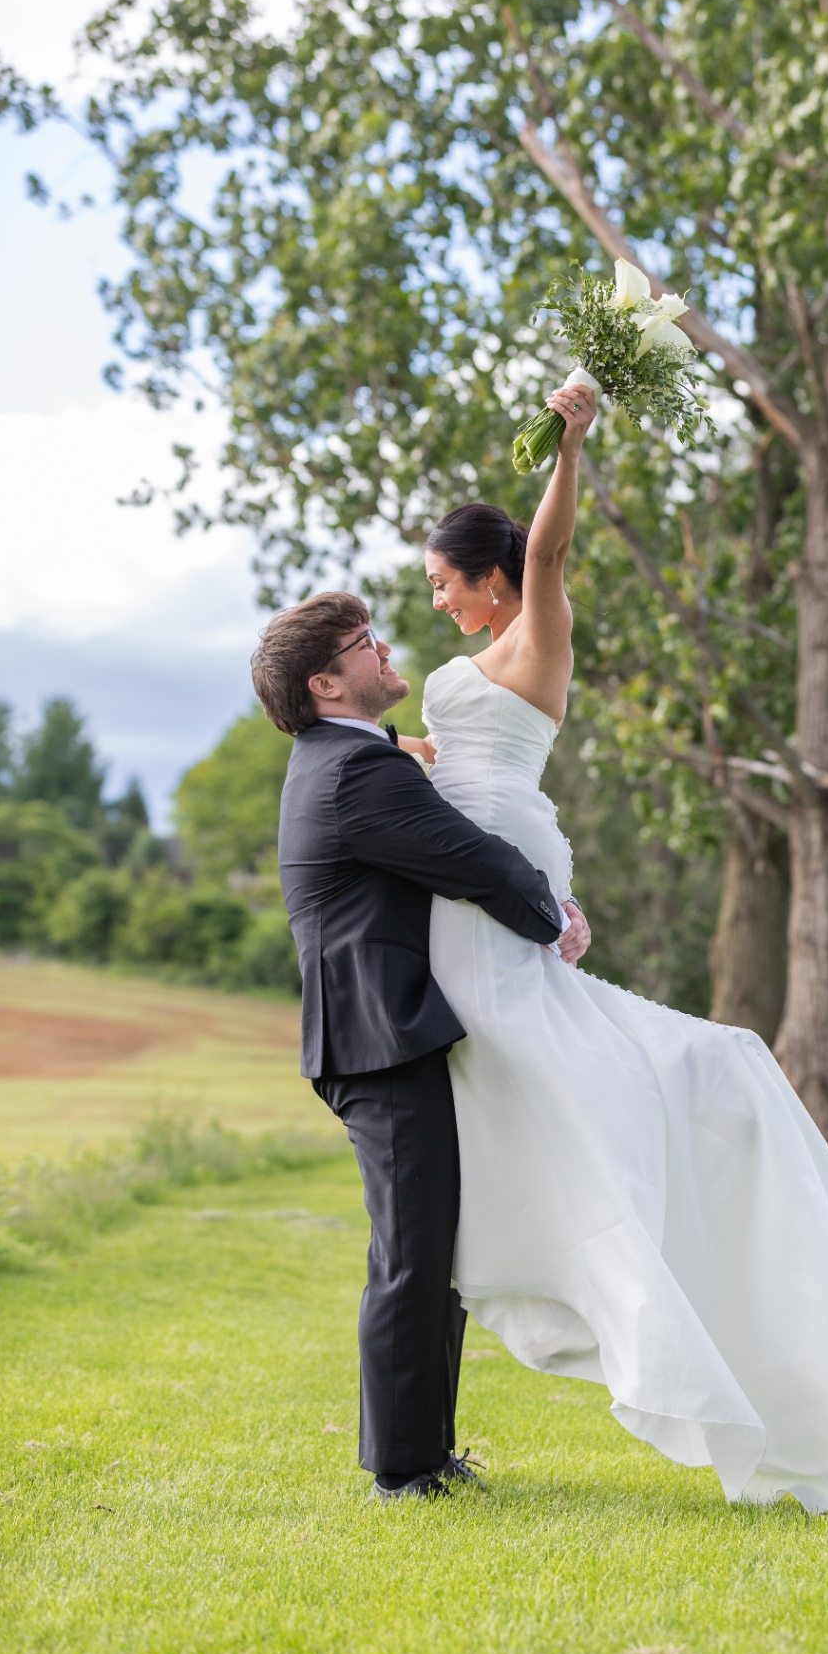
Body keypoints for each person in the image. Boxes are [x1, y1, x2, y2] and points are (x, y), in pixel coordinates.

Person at [414, 379, 828, 1524]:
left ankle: (607, 1238)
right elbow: (441, 749)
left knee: (560, 1052)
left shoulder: (538, 628)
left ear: (491, 577)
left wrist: (571, 444)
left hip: (498, 863)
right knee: (518, 1054)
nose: (435, 604)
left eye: (443, 584)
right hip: (473, 857)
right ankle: (535, 1217)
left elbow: (552, 549)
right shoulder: (468, 670)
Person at [252, 592, 590, 1501]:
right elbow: (469, 858)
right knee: (410, 1252)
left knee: (428, 1246)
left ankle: (425, 1451)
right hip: (379, 1038)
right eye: (366, 645)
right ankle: (403, 1472)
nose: (385, 648)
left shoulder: (353, 757)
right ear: (327, 683)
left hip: (384, 1032)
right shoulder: (357, 773)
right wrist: (550, 915)